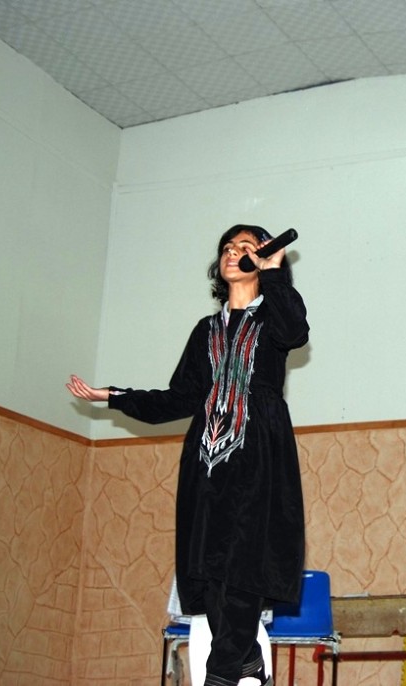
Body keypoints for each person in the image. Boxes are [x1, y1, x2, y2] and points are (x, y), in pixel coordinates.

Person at [67, 224, 309, 686]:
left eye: (245, 247)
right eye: (227, 248)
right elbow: (179, 399)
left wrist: (274, 271)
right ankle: (246, 661)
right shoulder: (205, 331)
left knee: (244, 568)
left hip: (259, 454)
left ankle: (222, 674)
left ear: (261, 258)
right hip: (206, 460)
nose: (233, 253)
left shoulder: (274, 318)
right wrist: (113, 396)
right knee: (210, 571)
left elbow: (296, 332)